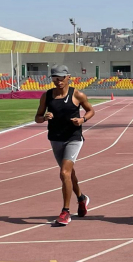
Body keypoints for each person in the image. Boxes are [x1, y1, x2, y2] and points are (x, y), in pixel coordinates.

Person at [35, 65, 95, 226]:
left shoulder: (77, 94)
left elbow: (90, 111)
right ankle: (82, 199)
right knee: (69, 174)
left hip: (73, 138)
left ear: (68, 77)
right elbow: (37, 117)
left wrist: (83, 120)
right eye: (55, 78)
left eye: (61, 78)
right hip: (55, 138)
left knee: (64, 173)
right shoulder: (47, 96)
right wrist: (44, 117)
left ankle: (65, 212)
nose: (58, 81)